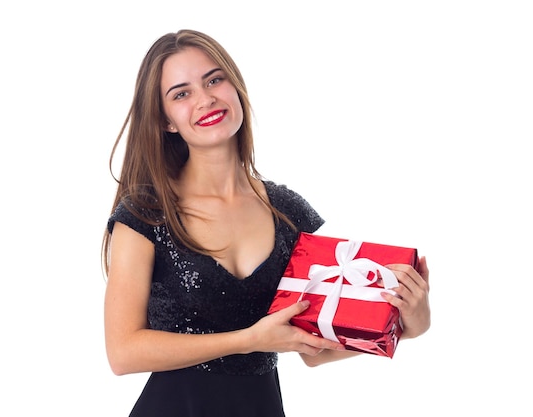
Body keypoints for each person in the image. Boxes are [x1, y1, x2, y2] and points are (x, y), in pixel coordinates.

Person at [101, 29, 431, 417]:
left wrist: (405, 327)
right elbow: (122, 352)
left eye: (214, 79)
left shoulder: (286, 211)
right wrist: (247, 340)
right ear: (166, 120)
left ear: (235, 86)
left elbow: (313, 349)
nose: (206, 98)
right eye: (181, 93)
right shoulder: (146, 212)